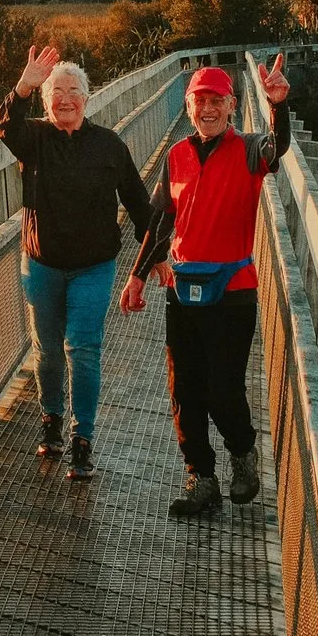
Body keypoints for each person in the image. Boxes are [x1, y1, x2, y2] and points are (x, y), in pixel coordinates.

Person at [121, 54, 291, 517]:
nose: (208, 109)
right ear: (189, 105)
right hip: (182, 287)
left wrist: (278, 107)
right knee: (184, 390)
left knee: (223, 390)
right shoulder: (176, 156)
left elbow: (280, 147)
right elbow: (160, 223)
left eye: (217, 100)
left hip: (233, 288)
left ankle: (242, 455)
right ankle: (201, 477)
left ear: (232, 105)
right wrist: (137, 275)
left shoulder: (252, 149)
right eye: (200, 101)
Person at [0, 43, 159, 480]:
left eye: (73, 90)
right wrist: (23, 87)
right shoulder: (34, 139)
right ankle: (50, 417)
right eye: (56, 92)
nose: (65, 98)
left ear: (87, 98)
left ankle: (82, 437)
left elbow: (138, 202)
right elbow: (5, 126)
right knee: (48, 352)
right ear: (46, 101)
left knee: (82, 348)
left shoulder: (108, 145)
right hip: (43, 264)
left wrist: (157, 254)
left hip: (93, 266)